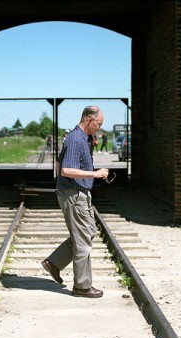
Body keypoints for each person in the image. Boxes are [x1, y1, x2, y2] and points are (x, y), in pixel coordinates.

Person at [41, 105, 109, 298]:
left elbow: (58, 165)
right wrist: (94, 174)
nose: (99, 128)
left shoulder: (79, 138)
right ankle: (82, 286)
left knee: (87, 233)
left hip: (77, 192)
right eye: (99, 124)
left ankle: (54, 263)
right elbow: (66, 170)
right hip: (74, 194)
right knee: (83, 241)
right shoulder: (76, 140)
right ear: (89, 119)